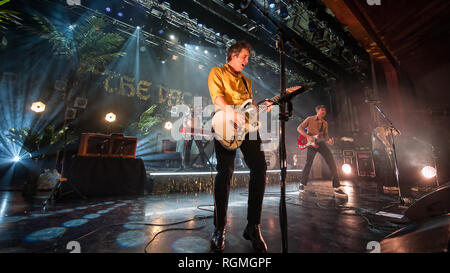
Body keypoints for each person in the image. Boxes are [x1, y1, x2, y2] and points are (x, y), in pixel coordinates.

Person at [208, 40, 272, 253]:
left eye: (247, 58)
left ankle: (253, 226)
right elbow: (217, 98)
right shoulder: (217, 72)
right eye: (244, 56)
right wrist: (231, 111)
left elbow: (250, 107)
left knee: (260, 168)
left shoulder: (246, 81)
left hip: (246, 128)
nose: (246, 60)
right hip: (225, 123)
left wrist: (263, 107)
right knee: (225, 172)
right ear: (233, 55)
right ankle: (219, 228)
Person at [297, 105, 347, 197]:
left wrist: (329, 141)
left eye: (325, 110)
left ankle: (336, 187)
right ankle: (302, 184)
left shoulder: (325, 123)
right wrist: (308, 136)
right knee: (309, 163)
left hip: (321, 144)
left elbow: (325, 137)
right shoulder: (310, 119)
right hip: (311, 144)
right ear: (317, 111)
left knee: (331, 162)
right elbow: (299, 128)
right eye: (322, 110)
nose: (324, 111)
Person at [371, 125, 401, 192]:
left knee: (382, 168)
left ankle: (383, 185)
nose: (389, 134)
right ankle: (388, 186)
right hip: (378, 151)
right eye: (392, 132)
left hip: (378, 151)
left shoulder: (381, 130)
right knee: (386, 167)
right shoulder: (380, 128)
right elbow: (381, 136)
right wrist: (388, 145)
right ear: (391, 129)